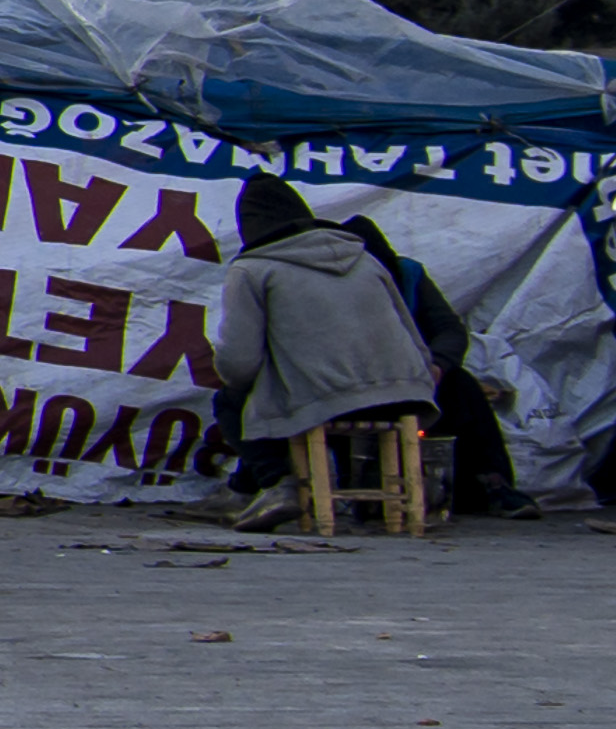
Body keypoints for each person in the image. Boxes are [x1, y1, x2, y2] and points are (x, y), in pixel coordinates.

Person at [212, 175, 441, 528]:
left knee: (231, 400)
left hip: (330, 401)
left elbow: (239, 362)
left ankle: (279, 483)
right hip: (409, 394)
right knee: (296, 393)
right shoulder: (366, 259)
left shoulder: (252, 269)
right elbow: (412, 334)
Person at [346, 208, 528, 514]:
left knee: (461, 387)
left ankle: (492, 485)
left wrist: (438, 364)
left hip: (415, 378)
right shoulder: (337, 285)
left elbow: (449, 329)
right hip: (357, 383)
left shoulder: (408, 275)